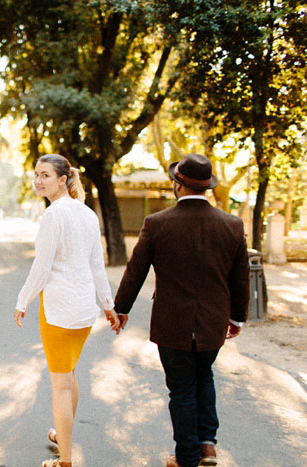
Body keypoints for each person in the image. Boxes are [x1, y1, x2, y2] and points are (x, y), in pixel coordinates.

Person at [114, 153, 250, 467]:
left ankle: (186, 456)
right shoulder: (232, 224)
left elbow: (136, 271)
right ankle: (207, 445)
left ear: (178, 184)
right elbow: (240, 277)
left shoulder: (157, 223)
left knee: (182, 388)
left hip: (171, 324)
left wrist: (121, 309)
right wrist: (236, 317)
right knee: (204, 376)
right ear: (207, 188)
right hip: (213, 323)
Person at [13, 154, 121, 467]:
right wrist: (107, 306)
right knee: (69, 374)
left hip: (59, 310)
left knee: (60, 384)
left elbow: (42, 266)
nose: (38, 180)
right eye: (36, 174)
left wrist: (23, 300)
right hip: (84, 311)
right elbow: (96, 266)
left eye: (45, 175)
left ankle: (66, 460)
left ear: (63, 179)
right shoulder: (88, 214)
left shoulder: (53, 215)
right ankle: (63, 436)